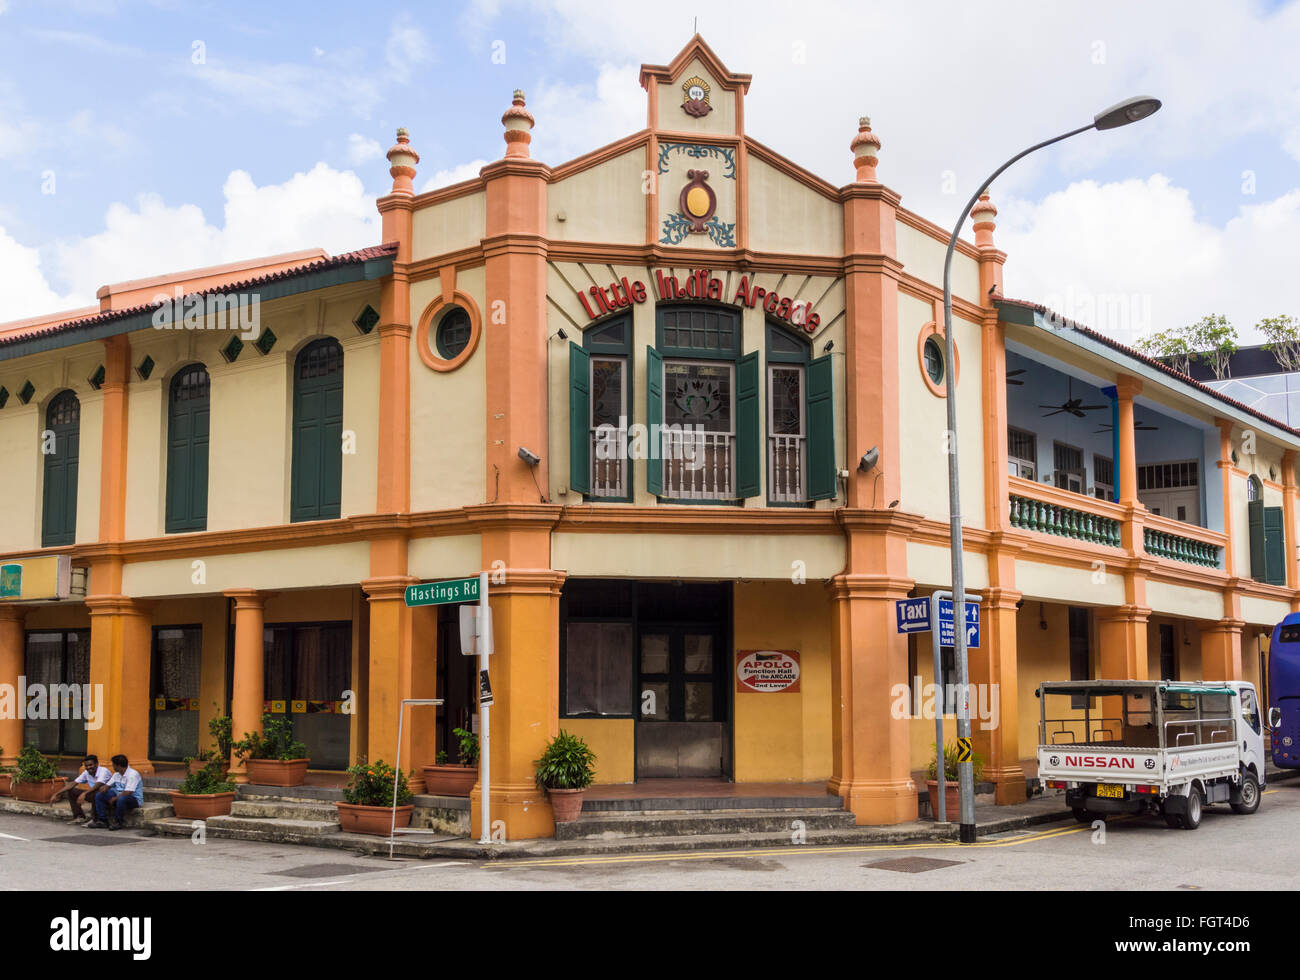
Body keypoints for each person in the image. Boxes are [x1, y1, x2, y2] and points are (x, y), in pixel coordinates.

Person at [49, 755, 114, 824]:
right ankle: (79, 817)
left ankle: (95, 819)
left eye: (91, 765)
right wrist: (56, 793)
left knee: (97, 792)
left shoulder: (103, 771)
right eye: (86, 766)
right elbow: (73, 783)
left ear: (97, 764)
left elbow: (98, 784)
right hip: (94, 794)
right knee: (72, 791)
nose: (88, 767)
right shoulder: (86, 773)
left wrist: (84, 793)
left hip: (108, 796)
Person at [90, 755, 144, 831]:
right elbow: (108, 785)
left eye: (113, 765)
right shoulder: (116, 775)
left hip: (134, 799)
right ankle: (102, 820)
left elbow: (128, 792)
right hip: (119, 797)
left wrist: (115, 798)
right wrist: (104, 788)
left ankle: (119, 822)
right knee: (100, 795)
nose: (113, 767)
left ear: (118, 766)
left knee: (121, 799)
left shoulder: (132, 775)